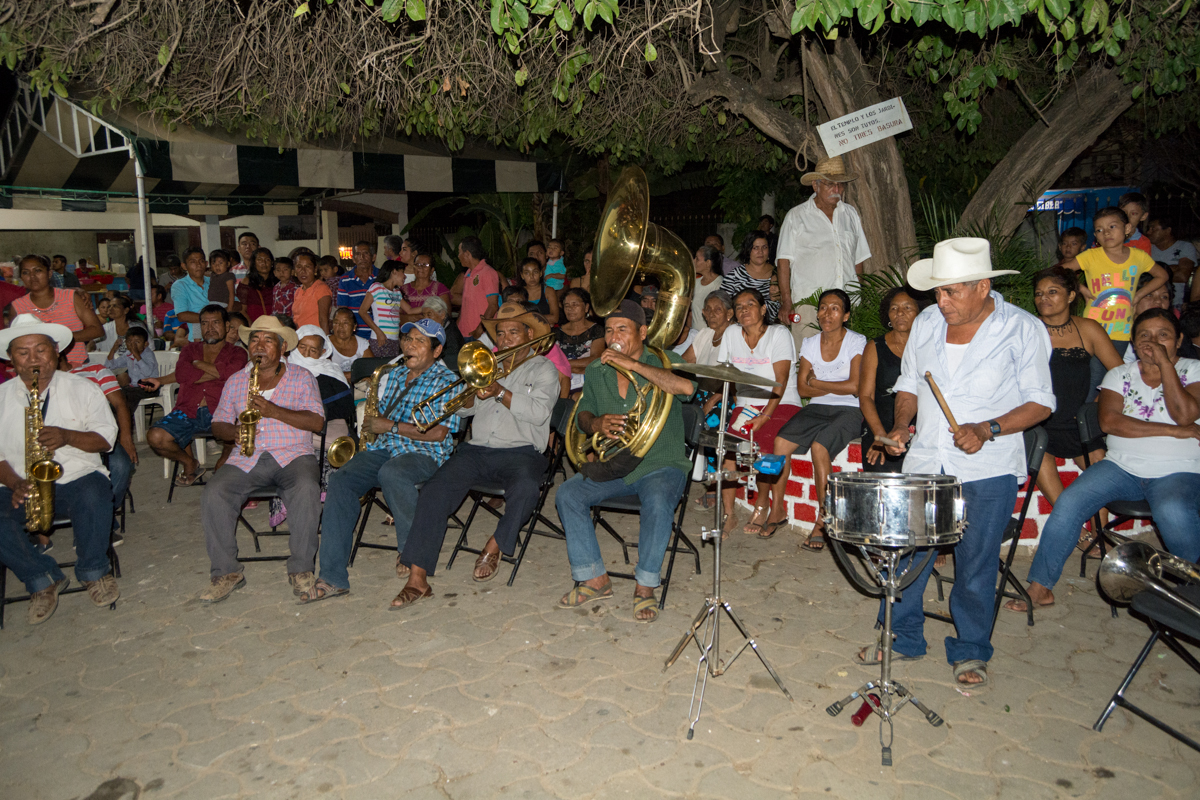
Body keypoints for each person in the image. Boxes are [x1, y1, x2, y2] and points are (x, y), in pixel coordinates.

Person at [875, 237, 1054, 688]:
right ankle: (902, 637)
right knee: (909, 551)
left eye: (950, 291)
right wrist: (901, 426)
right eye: (937, 291)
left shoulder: (1022, 328)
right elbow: (911, 382)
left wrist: (988, 428)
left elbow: (1041, 402)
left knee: (975, 563)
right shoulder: (929, 323)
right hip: (927, 457)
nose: (940, 301)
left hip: (987, 466)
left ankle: (971, 649)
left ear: (981, 286)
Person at [1011, 308, 1200, 613]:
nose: (1153, 341)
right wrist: (1176, 432)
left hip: (1179, 470)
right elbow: (1111, 422)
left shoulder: (1194, 370)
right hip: (1122, 466)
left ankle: (1192, 593)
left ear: (1178, 340)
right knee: (1070, 502)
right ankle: (1040, 588)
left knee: (1172, 509)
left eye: (1163, 334)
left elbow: (1185, 414)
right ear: (1134, 343)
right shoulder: (1119, 374)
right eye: (1144, 336)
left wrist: (1165, 365)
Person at [391, 303, 560, 609]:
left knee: (525, 490)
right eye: (501, 333)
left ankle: (495, 544)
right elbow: (465, 410)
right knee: (434, 490)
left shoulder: (543, 369)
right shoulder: (488, 363)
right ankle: (418, 579)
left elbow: (537, 413)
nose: (506, 338)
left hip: (522, 452)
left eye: (513, 331)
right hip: (478, 448)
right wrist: (469, 393)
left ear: (529, 334)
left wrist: (497, 391)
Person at [554, 299, 698, 623]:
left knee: (659, 501)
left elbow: (687, 387)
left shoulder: (664, 359)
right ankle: (594, 578)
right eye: (608, 330)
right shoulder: (596, 369)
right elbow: (583, 415)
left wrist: (633, 366)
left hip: (660, 462)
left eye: (622, 329)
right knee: (568, 494)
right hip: (616, 465)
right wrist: (595, 424)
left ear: (643, 332)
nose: (614, 335)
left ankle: (645, 586)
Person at [300, 318, 462, 603]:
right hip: (386, 448)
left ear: (437, 351)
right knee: (340, 480)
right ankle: (333, 576)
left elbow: (438, 434)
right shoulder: (397, 374)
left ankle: (411, 555)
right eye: (407, 340)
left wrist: (392, 427)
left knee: (392, 473)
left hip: (426, 454)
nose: (409, 346)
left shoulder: (448, 381)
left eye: (419, 342)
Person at [0, 315, 120, 624]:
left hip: (76, 476)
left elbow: (105, 440)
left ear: (56, 352)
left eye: (40, 349)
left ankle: (94, 572)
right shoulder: (1, 397)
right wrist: (14, 482)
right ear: (12, 359)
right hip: (19, 482)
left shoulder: (83, 388)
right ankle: (42, 579)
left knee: (95, 494)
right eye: (23, 352)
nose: (33, 359)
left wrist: (67, 436)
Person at [198, 316, 325, 603]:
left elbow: (317, 422)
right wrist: (234, 432)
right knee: (214, 493)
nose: (260, 345)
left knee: (306, 489)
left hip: (292, 455)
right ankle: (226, 572)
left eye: (269, 340)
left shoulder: (302, 377)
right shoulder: (237, 380)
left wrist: (273, 410)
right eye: (255, 339)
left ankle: (301, 569)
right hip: (247, 457)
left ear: (282, 348)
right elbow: (218, 423)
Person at [1029, 268, 1123, 540]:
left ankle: (1100, 535)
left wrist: (1098, 402)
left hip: (1077, 419)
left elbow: (1120, 373)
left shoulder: (1088, 328)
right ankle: (1076, 532)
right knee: (1038, 444)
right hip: (1038, 419)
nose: (1043, 298)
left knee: (1099, 465)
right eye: (1039, 293)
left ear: (1071, 295)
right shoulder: (1027, 328)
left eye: (1052, 292)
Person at [768, 289, 867, 549]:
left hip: (850, 410)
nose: (826, 313)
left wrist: (818, 381)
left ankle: (824, 519)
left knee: (819, 447)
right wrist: (834, 385)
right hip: (816, 408)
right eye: (823, 307)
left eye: (835, 308)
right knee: (780, 443)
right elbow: (803, 390)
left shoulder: (857, 341)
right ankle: (777, 511)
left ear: (846, 315)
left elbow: (856, 387)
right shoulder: (810, 343)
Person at [712, 288, 801, 538]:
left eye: (750, 304)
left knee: (763, 445)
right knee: (728, 446)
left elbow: (780, 381)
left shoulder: (778, 333)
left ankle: (764, 505)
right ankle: (729, 513)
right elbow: (726, 376)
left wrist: (765, 416)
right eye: (739, 306)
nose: (744, 310)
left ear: (763, 309)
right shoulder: (731, 333)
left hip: (782, 403)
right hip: (747, 403)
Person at [1065, 206, 1169, 399]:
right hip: (1092, 327)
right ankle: (1083, 418)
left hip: (1121, 329)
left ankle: (1092, 415)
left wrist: (1138, 295)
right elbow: (1061, 271)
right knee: (1093, 374)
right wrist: (1081, 288)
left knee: (1108, 375)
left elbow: (1161, 275)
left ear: (1127, 228)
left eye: (1112, 226)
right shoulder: (1091, 256)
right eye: (1099, 229)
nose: (1106, 233)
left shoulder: (1139, 257)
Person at [146, 305, 249, 485]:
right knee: (155, 437)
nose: (210, 328)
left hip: (221, 411)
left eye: (216, 323)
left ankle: (223, 460)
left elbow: (232, 373)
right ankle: (190, 463)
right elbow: (182, 375)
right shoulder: (189, 350)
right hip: (187, 410)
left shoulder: (238, 352)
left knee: (239, 430)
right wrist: (218, 372)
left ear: (226, 326)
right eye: (204, 323)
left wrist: (197, 365)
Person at [776, 156, 871, 340]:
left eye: (840, 185)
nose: (837, 190)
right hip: (809, 305)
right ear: (815, 185)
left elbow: (858, 260)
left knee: (845, 360)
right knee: (806, 360)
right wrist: (786, 300)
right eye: (830, 184)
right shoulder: (796, 216)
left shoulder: (850, 214)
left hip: (847, 303)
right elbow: (783, 261)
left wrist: (861, 297)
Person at [63, 351, 137, 542]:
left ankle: (101, 519)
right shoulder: (36, 381)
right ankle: (88, 519)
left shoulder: (94, 370)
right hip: (58, 444)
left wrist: (126, 439)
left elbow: (120, 404)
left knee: (121, 465)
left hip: (96, 436)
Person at [859, 288, 922, 474]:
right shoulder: (875, 347)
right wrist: (880, 436)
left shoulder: (928, 346)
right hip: (880, 424)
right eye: (894, 308)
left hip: (920, 426)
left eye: (907, 307)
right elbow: (865, 396)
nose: (900, 313)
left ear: (920, 314)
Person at [11, 255, 103, 368]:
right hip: (38, 371)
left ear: (49, 274)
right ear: (21, 277)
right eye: (26, 272)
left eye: (38, 270)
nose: (32, 276)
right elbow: (14, 343)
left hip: (77, 366)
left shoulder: (71, 298)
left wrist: (61, 338)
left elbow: (97, 330)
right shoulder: (17, 307)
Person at [359, 260, 414, 360]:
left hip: (395, 339)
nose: (405, 276)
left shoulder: (397, 292)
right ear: (394, 272)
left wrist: (427, 307)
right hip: (381, 338)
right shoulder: (376, 288)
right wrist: (378, 332)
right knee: (380, 369)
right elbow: (362, 311)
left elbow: (409, 310)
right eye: (403, 272)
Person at [556, 288, 604, 395]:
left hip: (588, 381)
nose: (570, 309)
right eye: (566, 305)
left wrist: (564, 365)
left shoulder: (597, 330)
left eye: (575, 304)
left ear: (586, 307)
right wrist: (577, 367)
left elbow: (595, 359)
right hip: (560, 381)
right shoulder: (556, 333)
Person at [452, 236, 500, 340]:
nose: (458, 256)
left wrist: (480, 329)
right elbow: (466, 305)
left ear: (467, 254)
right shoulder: (468, 273)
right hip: (464, 332)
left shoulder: (488, 272)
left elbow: (493, 305)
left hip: (480, 334)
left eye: (459, 252)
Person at [1145, 215, 1199, 309]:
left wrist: (1153, 271)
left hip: (1175, 304)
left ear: (1167, 230)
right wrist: (1173, 268)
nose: (1148, 232)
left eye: (1153, 229)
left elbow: (1183, 276)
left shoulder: (1185, 247)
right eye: (1149, 228)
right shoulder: (1146, 247)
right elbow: (1142, 276)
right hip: (1148, 303)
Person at [104, 325, 158, 406]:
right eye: (129, 342)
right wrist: (113, 350)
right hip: (134, 387)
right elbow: (109, 366)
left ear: (145, 344)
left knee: (127, 396)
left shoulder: (148, 354)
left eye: (137, 342)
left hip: (149, 388)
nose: (133, 345)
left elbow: (147, 372)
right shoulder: (128, 354)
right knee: (116, 392)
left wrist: (137, 355)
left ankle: (124, 416)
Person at [336, 241, 379, 339]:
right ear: (353, 259)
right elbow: (343, 310)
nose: (362, 257)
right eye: (358, 254)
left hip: (379, 335)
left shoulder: (382, 277)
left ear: (373, 257)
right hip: (355, 336)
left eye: (366, 253)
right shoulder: (345, 279)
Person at [684, 290, 735, 367]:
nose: (711, 314)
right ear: (704, 313)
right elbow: (684, 361)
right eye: (708, 309)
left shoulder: (736, 336)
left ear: (729, 313)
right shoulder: (704, 334)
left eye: (718, 309)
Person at [171, 247, 212, 341]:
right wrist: (215, 319)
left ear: (206, 264)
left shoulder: (214, 282)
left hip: (221, 337)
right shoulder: (180, 285)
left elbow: (235, 303)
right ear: (184, 266)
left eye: (201, 261)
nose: (198, 265)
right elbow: (182, 315)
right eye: (193, 262)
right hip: (198, 340)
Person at [291, 250, 333, 332]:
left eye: (307, 266)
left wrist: (327, 342)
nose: (303, 271)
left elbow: (323, 320)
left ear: (315, 269)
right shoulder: (298, 291)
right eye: (299, 267)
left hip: (315, 339)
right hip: (300, 338)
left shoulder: (321, 288)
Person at [328, 307, 373, 381]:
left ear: (354, 326)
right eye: (336, 323)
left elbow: (371, 369)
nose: (341, 326)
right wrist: (355, 375)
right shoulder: (326, 343)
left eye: (345, 323)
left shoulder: (362, 343)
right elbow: (326, 372)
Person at [421, 297, 462, 373]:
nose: (425, 319)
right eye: (424, 315)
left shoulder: (451, 335)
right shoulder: (438, 329)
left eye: (429, 315)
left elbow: (452, 364)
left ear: (442, 315)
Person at [518, 256, 560, 324]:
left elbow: (555, 318)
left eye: (535, 272)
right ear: (522, 275)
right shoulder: (518, 293)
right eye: (527, 273)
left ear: (540, 273)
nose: (531, 276)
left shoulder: (548, 291)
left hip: (545, 332)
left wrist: (528, 319)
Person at [691, 245, 724, 331]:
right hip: (695, 335)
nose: (693, 261)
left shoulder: (719, 284)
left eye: (697, 259)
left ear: (708, 263)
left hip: (710, 335)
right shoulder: (696, 283)